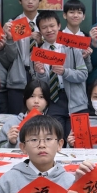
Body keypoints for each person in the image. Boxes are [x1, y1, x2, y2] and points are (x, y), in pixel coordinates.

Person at [33, 10, 89, 138]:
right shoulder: (39, 52)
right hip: (54, 100)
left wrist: (65, 72)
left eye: (52, 26)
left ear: (59, 26)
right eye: (44, 27)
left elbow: (83, 74)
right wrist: (41, 74)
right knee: (55, 138)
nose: (49, 30)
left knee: (78, 140)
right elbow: (41, 84)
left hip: (76, 100)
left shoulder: (72, 46)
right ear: (40, 30)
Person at [0, 0, 44, 115]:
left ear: (40, 0)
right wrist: (10, 39)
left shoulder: (47, 24)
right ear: (20, 0)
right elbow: (10, 58)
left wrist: (41, 43)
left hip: (40, 77)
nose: (30, 1)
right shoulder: (13, 24)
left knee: (38, 119)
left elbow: (54, 51)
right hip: (17, 79)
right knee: (16, 118)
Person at [0, 78, 50, 149]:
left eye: (41, 97)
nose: (36, 101)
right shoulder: (11, 125)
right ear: (25, 99)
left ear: (47, 101)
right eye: (32, 96)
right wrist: (11, 143)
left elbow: (57, 149)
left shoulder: (52, 126)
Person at [62, 0, 93, 73]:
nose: (75, 15)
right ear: (65, 15)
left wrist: (86, 58)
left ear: (83, 16)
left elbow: (89, 70)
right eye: (71, 12)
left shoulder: (86, 38)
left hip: (81, 78)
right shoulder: (58, 37)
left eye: (79, 12)